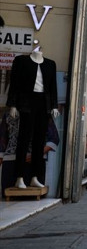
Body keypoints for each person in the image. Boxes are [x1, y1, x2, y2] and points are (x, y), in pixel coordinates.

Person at [6, 50, 60, 189]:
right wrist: (12, 104)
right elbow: (14, 84)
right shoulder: (21, 61)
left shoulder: (50, 64)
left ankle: (35, 177)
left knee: (39, 141)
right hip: (26, 103)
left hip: (43, 104)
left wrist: (54, 106)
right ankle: (19, 177)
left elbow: (52, 86)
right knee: (23, 140)